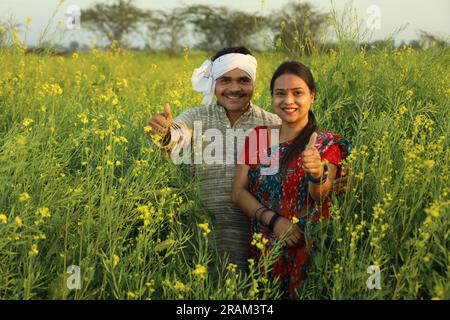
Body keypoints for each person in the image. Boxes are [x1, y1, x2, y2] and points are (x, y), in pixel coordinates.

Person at [146, 47, 281, 271]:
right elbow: (176, 136)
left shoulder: (272, 123)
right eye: (225, 80)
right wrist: (163, 134)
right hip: (202, 242)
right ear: (214, 83)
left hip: (259, 246)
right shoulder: (195, 117)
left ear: (254, 83)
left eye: (243, 80)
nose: (235, 88)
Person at [232, 61, 350, 298]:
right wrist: (275, 221)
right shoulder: (259, 137)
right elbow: (238, 193)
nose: (288, 101)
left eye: (298, 93)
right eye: (280, 93)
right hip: (264, 252)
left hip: (308, 251)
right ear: (272, 97)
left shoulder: (326, 142)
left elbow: (322, 194)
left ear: (312, 96)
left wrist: (317, 174)